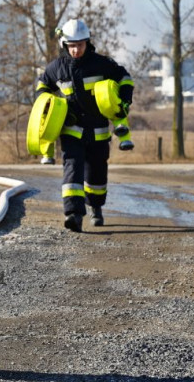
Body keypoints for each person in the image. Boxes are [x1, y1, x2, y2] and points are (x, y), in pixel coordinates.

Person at [36, 18, 134, 232]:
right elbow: (42, 86)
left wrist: (124, 100)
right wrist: (46, 104)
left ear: (87, 43)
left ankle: (96, 208)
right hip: (71, 131)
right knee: (72, 170)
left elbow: (125, 78)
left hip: (98, 132)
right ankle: (73, 214)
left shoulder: (101, 64)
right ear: (65, 45)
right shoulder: (56, 68)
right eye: (71, 46)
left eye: (79, 45)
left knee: (97, 174)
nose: (75, 50)